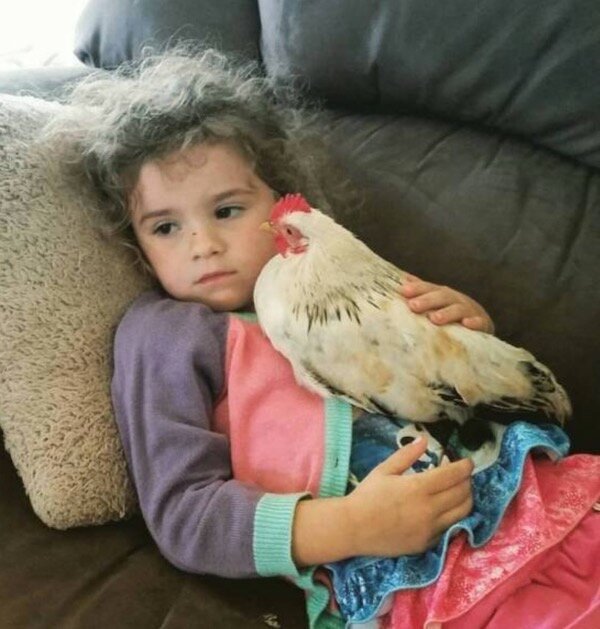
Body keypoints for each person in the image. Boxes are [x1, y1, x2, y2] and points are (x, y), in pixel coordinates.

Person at [52, 47, 600, 628]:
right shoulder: (167, 333)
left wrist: (467, 331)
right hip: (426, 569)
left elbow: (453, 384)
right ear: (136, 245)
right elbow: (184, 515)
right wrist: (349, 527)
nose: (203, 245)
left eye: (227, 211)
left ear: (284, 205)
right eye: (166, 226)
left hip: (526, 488)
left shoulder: (340, 281)